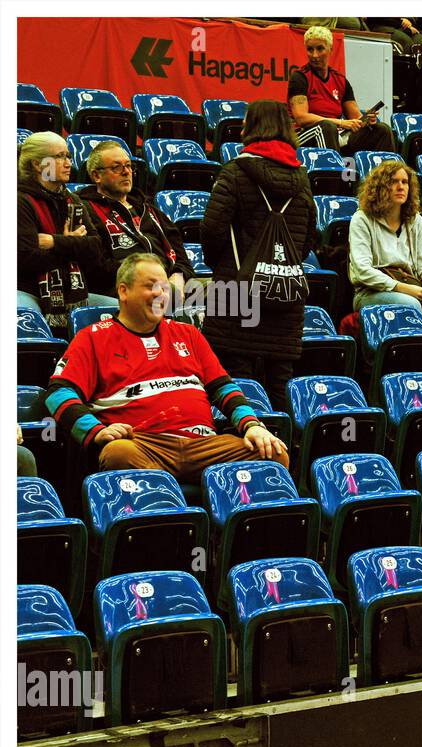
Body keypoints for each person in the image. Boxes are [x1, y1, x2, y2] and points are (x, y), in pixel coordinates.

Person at [43, 252, 288, 477]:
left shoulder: (188, 333)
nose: (161, 294)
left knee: (272, 453)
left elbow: (224, 389)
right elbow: (58, 394)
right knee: (117, 453)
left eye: (164, 287)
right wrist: (96, 431)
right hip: (144, 445)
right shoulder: (93, 337)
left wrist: (252, 426)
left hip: (204, 445)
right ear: (123, 291)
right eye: (151, 286)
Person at [200, 99, 316, 412]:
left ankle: (244, 455)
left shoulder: (236, 172)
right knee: (280, 385)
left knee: (237, 383)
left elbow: (211, 229)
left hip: (236, 295)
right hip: (285, 292)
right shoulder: (302, 178)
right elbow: (307, 239)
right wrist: (280, 263)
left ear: (251, 127)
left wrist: (226, 267)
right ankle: (282, 455)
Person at [17, 131, 116, 327]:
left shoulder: (73, 200)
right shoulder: (19, 201)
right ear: (38, 164)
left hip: (72, 291)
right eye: (59, 156)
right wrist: (74, 246)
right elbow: (26, 259)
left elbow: (96, 249)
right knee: (25, 321)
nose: (68, 162)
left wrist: (56, 241)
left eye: (68, 156)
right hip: (26, 289)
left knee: (124, 312)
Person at [78, 140, 193, 306]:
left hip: (170, 283)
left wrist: (179, 275)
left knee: (225, 293)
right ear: (97, 176)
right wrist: (148, 279)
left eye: (129, 166)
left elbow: (180, 253)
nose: (126, 172)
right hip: (125, 288)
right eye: (117, 167)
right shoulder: (86, 210)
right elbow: (97, 267)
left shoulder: (149, 209)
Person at [349, 158, 422, 319]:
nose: (401, 187)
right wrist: (402, 288)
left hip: (413, 286)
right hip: (371, 292)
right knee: (411, 304)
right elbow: (362, 271)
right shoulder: (361, 219)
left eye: (405, 182)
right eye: (394, 182)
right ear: (380, 187)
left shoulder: (417, 221)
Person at [288, 26, 396, 155]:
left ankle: (389, 173)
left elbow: (355, 118)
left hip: (336, 135)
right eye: (310, 49)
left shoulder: (340, 80)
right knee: (327, 127)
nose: (314, 55)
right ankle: (334, 173)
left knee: (381, 130)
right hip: (302, 136)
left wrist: (367, 119)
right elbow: (301, 118)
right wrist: (340, 122)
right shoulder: (300, 77)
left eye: (320, 48)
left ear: (330, 49)